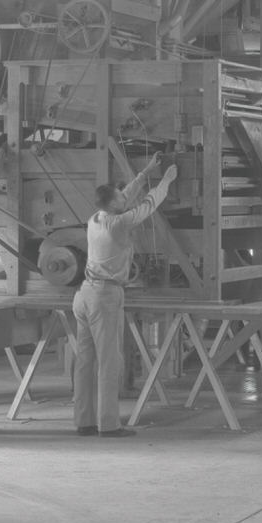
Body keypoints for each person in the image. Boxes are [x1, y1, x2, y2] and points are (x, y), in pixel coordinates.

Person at [73, 155, 179, 438]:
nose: (125, 196)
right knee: (109, 362)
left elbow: (128, 196)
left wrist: (145, 172)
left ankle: (83, 421)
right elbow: (147, 206)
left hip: (84, 295)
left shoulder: (95, 218)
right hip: (104, 297)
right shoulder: (117, 225)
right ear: (113, 204)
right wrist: (166, 181)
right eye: (120, 196)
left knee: (85, 362)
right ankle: (109, 425)